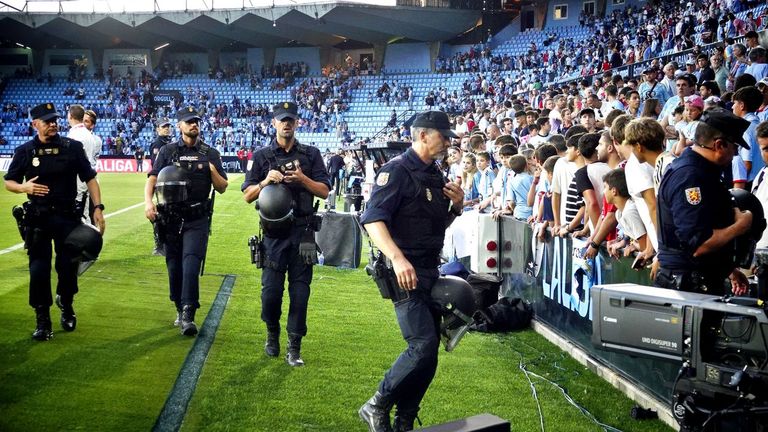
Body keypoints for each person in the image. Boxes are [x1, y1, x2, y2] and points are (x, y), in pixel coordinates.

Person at [358, 110, 464, 432]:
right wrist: (397, 258)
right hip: (405, 272)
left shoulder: (435, 173)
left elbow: (434, 225)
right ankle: (376, 403)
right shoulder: (397, 171)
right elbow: (373, 220)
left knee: (429, 354)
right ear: (422, 135)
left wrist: (456, 208)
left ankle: (404, 418)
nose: (448, 142)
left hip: (430, 269)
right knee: (422, 345)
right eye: (443, 136)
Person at [3, 102, 105, 340]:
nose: (53, 124)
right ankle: (42, 320)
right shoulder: (25, 151)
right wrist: (23, 187)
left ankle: (67, 304)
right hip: (38, 218)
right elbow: (10, 181)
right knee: (38, 269)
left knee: (68, 267)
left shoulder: (73, 147)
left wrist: (98, 207)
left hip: (68, 218)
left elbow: (91, 179)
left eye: (55, 120)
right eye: (47, 121)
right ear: (34, 124)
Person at [242, 102, 330, 367]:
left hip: (303, 234)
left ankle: (294, 345)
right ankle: (272, 333)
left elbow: (325, 191)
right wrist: (266, 181)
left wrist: (302, 179)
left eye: (291, 119)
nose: (287, 124)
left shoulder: (311, 154)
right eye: (282, 120)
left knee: (300, 294)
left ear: (297, 123)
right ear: (274, 124)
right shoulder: (262, 156)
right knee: (270, 293)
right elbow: (247, 195)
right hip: (274, 236)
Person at [144, 106, 228, 336]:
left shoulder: (210, 153)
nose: (194, 125)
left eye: (196, 121)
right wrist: (148, 203)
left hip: (197, 218)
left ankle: (189, 311)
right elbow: (152, 178)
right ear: (180, 125)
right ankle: (178, 306)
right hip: (170, 218)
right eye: (189, 121)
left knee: (191, 263)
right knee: (174, 267)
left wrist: (210, 169)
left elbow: (222, 187)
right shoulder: (168, 151)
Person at [655, 110, 753, 295]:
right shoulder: (690, 177)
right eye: (734, 148)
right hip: (689, 285)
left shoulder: (701, 171)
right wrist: (741, 225)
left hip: (696, 279)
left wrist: (727, 269)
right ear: (719, 145)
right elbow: (699, 244)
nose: (734, 154)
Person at [66, 104, 100, 225]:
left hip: (77, 184)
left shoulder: (74, 136)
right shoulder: (90, 136)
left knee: (79, 218)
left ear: (70, 116)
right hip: (86, 180)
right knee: (85, 215)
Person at [148, 118, 173, 256]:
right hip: (162, 182)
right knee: (161, 213)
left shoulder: (169, 143)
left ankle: (167, 242)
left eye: (168, 126)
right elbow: (156, 166)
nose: (167, 128)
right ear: (157, 129)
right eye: (164, 127)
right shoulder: (157, 144)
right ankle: (159, 243)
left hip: (171, 182)